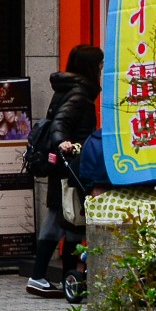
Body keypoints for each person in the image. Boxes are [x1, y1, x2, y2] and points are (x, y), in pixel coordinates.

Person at [27, 44, 102, 296]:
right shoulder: (80, 93)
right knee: (62, 218)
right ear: (91, 67)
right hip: (70, 165)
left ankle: (71, 279)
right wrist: (63, 142)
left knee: (70, 222)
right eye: (99, 64)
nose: (102, 69)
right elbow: (61, 122)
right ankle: (38, 276)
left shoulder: (68, 88)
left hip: (65, 165)